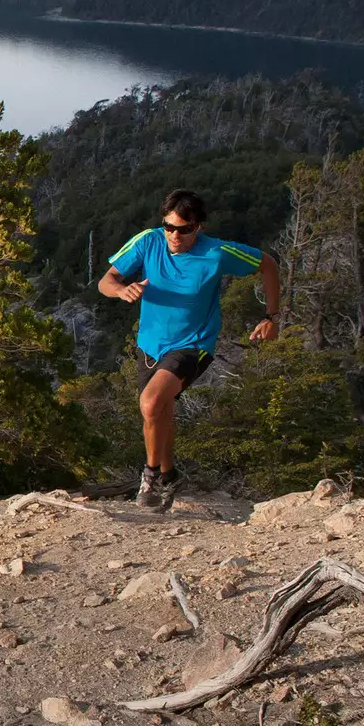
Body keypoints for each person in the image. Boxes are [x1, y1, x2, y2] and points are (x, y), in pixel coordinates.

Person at [97, 189, 283, 510]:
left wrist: (271, 317)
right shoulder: (148, 241)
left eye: (184, 229)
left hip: (193, 346)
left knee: (151, 401)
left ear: (199, 226)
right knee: (158, 412)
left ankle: (151, 476)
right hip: (150, 346)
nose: (175, 235)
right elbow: (106, 280)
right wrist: (121, 289)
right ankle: (170, 478)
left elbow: (268, 265)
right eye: (169, 227)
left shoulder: (217, 252)